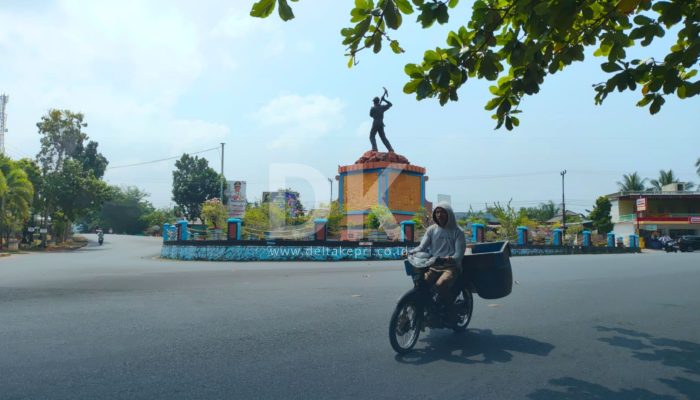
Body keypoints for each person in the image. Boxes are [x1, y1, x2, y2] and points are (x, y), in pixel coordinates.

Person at [408, 202, 466, 308]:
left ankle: (450, 307)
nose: (439, 215)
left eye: (443, 212)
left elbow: (459, 254)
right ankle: (428, 307)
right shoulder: (431, 230)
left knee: (441, 285)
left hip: (450, 267)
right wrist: (411, 252)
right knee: (420, 284)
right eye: (437, 212)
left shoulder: (458, 231)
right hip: (433, 265)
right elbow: (422, 247)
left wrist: (450, 258)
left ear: (449, 214)